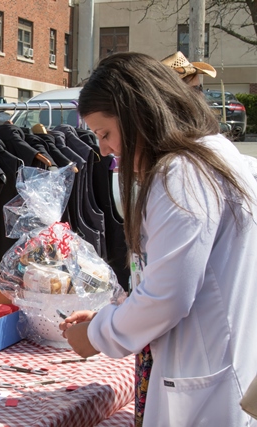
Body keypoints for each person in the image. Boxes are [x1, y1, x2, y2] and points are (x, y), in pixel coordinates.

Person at [60, 52, 257, 426]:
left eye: (105, 133)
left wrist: (98, 334)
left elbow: (168, 296)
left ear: (138, 115)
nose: (103, 149)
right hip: (218, 365)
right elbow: (174, 276)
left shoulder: (180, 172)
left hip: (205, 381)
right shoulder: (221, 157)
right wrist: (113, 316)